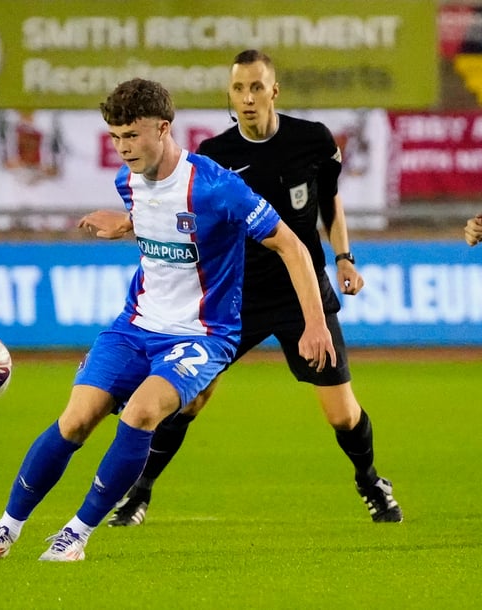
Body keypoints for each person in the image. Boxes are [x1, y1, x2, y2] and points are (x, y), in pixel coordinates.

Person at [0, 77, 336, 562]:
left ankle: (75, 535)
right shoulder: (128, 182)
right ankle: (4, 531)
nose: (123, 148)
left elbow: (290, 244)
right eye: (115, 137)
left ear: (164, 127)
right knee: (75, 420)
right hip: (134, 326)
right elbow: (158, 217)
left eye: (132, 135)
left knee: (140, 413)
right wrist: (126, 224)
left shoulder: (219, 187)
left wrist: (316, 323)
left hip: (202, 335)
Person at [90, 50, 403, 528]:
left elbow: (330, 204)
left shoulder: (313, 141)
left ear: (273, 91)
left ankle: (370, 480)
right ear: (230, 95)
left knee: (341, 414)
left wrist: (344, 258)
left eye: (257, 87)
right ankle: (140, 492)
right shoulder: (216, 155)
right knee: (188, 399)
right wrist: (130, 226)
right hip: (233, 295)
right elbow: (181, 217)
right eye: (239, 89)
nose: (248, 98)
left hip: (300, 290)